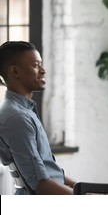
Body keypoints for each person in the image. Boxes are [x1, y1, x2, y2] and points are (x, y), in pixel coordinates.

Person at [0, 41, 75, 195]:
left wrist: (87, 190)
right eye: (36, 65)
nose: (43, 70)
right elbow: (41, 186)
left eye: (41, 64)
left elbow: (52, 175)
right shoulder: (17, 118)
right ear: (14, 72)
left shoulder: (24, 111)